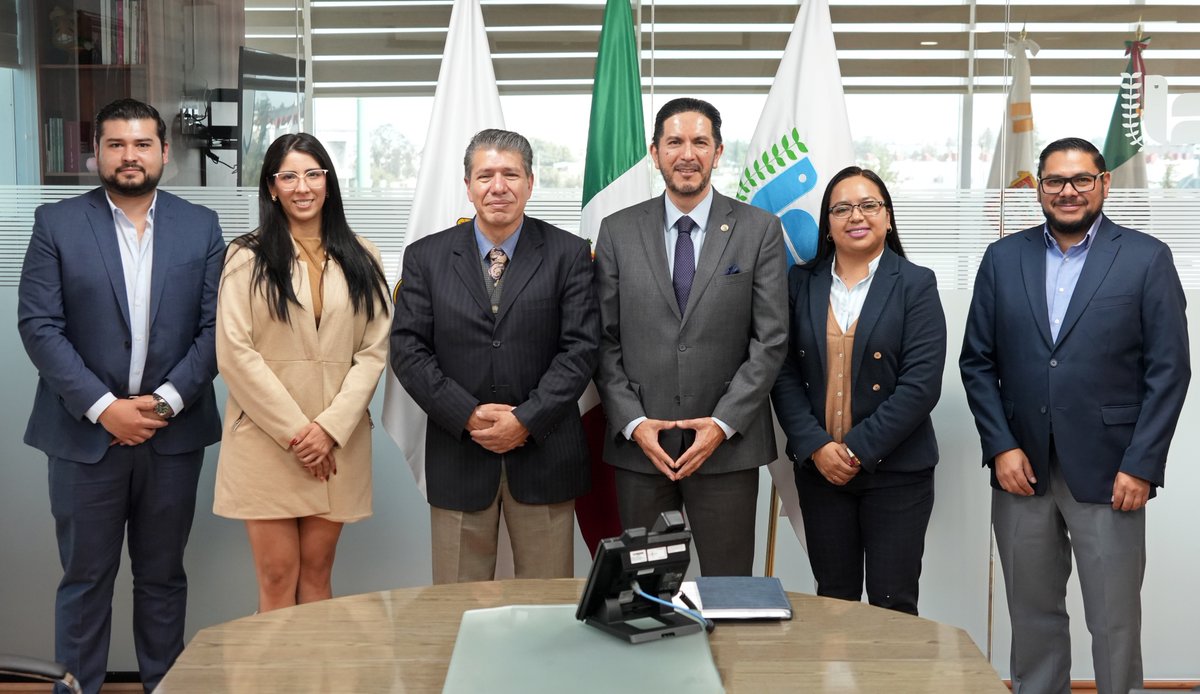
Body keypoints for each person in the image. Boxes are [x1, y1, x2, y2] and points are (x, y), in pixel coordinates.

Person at [960, 137, 1190, 694]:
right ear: (1037, 188)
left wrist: (1142, 464)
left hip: (1113, 473)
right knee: (1032, 618)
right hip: (1022, 470)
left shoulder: (1145, 257)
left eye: (1081, 179)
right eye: (1054, 181)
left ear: (1104, 183)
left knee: (1114, 622)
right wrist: (1001, 446)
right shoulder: (1002, 258)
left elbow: (1170, 371)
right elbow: (977, 361)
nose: (1068, 192)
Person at [17, 98, 224, 694]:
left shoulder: (200, 226)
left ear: (164, 152)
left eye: (141, 144)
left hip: (171, 435)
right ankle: (76, 688)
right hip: (84, 436)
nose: (129, 156)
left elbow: (217, 331)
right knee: (85, 579)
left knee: (162, 577)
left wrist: (161, 404)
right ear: (97, 154)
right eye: (116, 144)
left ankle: (163, 685)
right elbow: (39, 326)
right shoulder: (55, 222)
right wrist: (105, 409)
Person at [391, 128, 599, 583]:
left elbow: (580, 350)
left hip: (544, 454)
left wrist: (525, 419)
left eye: (510, 174)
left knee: (546, 611)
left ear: (530, 182)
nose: (497, 186)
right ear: (467, 185)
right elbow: (408, 351)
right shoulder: (425, 258)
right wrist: (467, 415)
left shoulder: (569, 254)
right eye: (485, 175)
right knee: (455, 607)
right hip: (460, 453)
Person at [593, 97, 788, 577]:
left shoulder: (759, 229)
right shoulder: (617, 231)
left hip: (727, 448)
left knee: (730, 591)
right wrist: (635, 423)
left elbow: (771, 339)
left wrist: (721, 424)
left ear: (718, 152)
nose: (687, 154)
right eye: (674, 141)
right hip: (643, 449)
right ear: (654, 151)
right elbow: (602, 340)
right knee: (645, 593)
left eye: (700, 142)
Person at [213, 133, 390, 611]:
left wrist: (328, 430)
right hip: (269, 442)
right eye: (288, 176)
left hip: (337, 443)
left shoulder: (363, 256)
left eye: (313, 174)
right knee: (276, 578)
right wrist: (298, 434)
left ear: (328, 183)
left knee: (316, 579)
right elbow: (235, 352)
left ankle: (318, 684)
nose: (302, 186)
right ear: (272, 188)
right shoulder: (245, 256)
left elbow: (373, 352)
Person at [771, 166, 945, 615]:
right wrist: (816, 447)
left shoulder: (916, 284)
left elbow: (921, 385)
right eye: (842, 208)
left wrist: (853, 451)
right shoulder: (799, 283)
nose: (856, 216)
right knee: (834, 601)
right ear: (827, 223)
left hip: (897, 474)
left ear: (888, 217)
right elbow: (783, 372)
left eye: (869, 205)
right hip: (820, 472)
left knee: (893, 604)